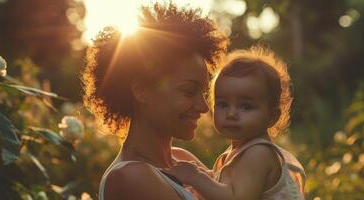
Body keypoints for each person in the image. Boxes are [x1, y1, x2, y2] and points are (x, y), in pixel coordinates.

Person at [81, 2, 228, 200]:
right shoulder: (130, 177)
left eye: (203, 92)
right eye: (189, 91)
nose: (203, 107)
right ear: (141, 90)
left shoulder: (182, 160)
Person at [166, 46, 306, 200]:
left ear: (271, 116)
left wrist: (197, 177)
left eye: (246, 106)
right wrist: (208, 176)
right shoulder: (239, 152)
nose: (231, 114)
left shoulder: (259, 153)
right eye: (223, 104)